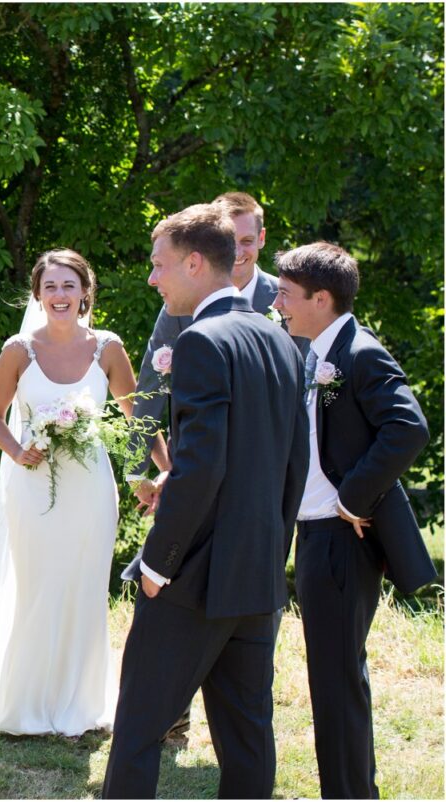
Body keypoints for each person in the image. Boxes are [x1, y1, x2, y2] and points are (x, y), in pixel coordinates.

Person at [102, 205, 308, 798]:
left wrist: (159, 562)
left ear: (195, 263)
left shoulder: (200, 341)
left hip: (194, 577)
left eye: (159, 265)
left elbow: (200, 467)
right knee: (248, 737)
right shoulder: (281, 339)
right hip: (258, 573)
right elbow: (293, 464)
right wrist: (273, 547)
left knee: (140, 728)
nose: (152, 278)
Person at [0, 249, 168, 734]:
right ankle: (28, 703)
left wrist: (172, 470)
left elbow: (138, 419)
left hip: (91, 491)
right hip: (33, 488)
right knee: (40, 588)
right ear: (37, 294)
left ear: (85, 292)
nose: (60, 295)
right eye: (51, 287)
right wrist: (18, 451)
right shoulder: (19, 350)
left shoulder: (109, 348)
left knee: (83, 590)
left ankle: (81, 704)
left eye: (69, 286)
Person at [273, 242, 434, 798]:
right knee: (331, 675)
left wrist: (354, 498)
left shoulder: (359, 352)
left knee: (337, 679)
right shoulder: (312, 349)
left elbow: (408, 428)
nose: (278, 303)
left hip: (343, 534)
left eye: (287, 295)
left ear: (321, 299)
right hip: (314, 533)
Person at [126, 190, 283, 739]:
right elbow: (151, 390)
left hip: (217, 540)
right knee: (247, 727)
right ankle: (180, 717)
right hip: (247, 540)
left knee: (142, 715)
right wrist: (144, 467)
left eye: (246, 241)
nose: (238, 252)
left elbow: (221, 460)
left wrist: (156, 562)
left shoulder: (278, 306)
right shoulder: (181, 312)